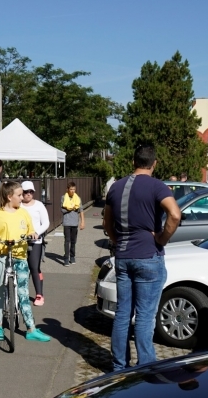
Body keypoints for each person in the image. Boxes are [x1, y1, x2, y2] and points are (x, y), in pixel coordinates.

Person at [103, 144, 182, 372]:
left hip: (123, 256)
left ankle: (119, 366)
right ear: (154, 163)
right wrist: (161, 239)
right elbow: (175, 215)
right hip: (148, 256)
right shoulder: (157, 186)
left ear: (133, 161)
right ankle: (145, 368)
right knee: (145, 316)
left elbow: (107, 224)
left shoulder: (116, 187)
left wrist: (119, 242)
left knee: (122, 313)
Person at [0, 181, 50, 342]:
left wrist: (32, 233)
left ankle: (31, 328)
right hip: (3, 256)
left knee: (23, 292)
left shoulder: (23, 213)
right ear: (10, 197)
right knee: (1, 291)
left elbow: (30, 229)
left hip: (20, 256)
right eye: (19, 195)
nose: (22, 197)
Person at [21, 180, 50, 306]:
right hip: (20, 241)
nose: (28, 194)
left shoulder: (39, 205)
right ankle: (21, 293)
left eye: (31, 192)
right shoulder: (18, 205)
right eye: (26, 192)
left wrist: (37, 232)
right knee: (21, 267)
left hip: (35, 241)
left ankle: (39, 294)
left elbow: (46, 223)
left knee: (34, 267)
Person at [60, 182, 85, 266]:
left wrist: (83, 222)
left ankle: (72, 256)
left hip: (75, 223)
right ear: (67, 189)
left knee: (73, 241)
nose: (72, 191)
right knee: (67, 241)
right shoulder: (63, 198)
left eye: (74, 189)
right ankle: (66, 258)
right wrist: (71, 208)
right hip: (67, 222)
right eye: (71, 189)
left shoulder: (78, 199)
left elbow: (81, 210)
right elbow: (63, 210)